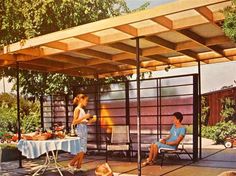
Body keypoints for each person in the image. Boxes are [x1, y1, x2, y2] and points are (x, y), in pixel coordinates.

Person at [68, 93, 95, 170]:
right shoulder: (77, 109)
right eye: (86, 100)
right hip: (80, 130)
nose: (87, 102)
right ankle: (71, 163)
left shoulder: (82, 110)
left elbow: (83, 121)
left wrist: (91, 120)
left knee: (83, 149)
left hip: (83, 128)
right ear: (81, 100)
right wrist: (85, 117)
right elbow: (74, 122)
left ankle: (79, 166)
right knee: (82, 149)